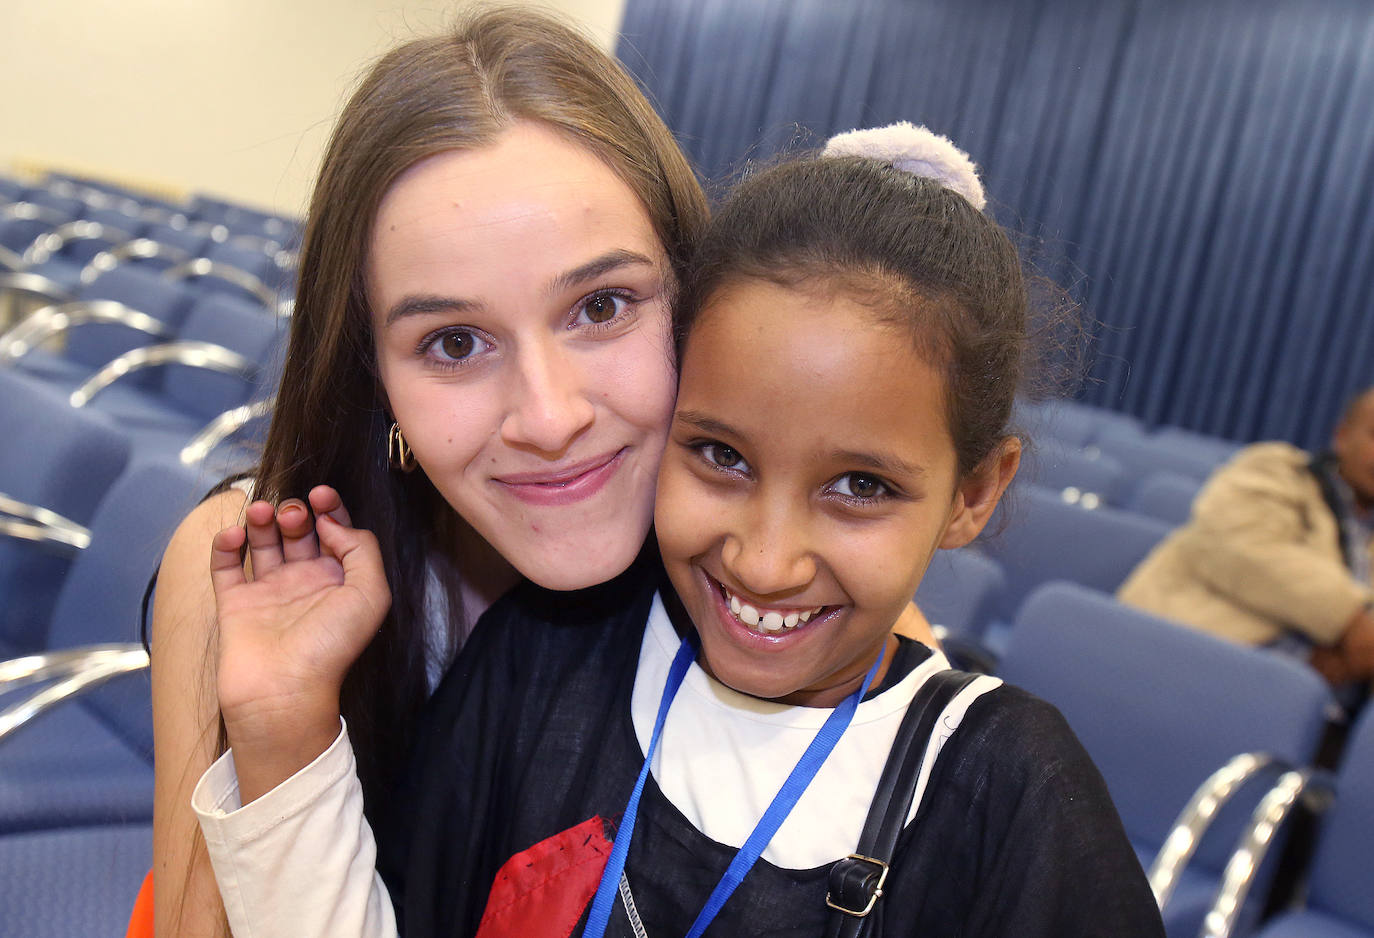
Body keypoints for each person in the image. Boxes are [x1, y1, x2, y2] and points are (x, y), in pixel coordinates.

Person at [196, 124, 1165, 936]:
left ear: (974, 493)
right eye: (721, 457)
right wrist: (283, 730)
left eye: (860, 484)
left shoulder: (1004, 794)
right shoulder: (552, 655)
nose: (766, 557)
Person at [149, 10, 936, 937]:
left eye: (602, 306)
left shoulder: (787, 588)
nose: (551, 418)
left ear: (697, 300)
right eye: (453, 342)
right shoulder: (259, 576)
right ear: (378, 379)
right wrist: (285, 729)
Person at [1118, 388, 1374, 687]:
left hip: (1311, 705)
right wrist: (1351, 623)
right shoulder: (1277, 470)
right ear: (1342, 436)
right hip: (1190, 667)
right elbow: (1239, 546)